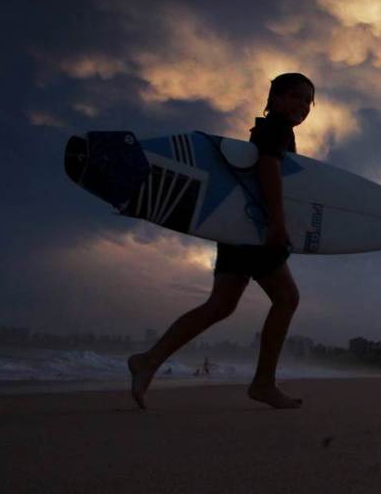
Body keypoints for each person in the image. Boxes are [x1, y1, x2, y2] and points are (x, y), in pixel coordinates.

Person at [127, 73, 315, 409]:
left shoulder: (264, 129)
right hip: (254, 230)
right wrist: (276, 222)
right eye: (296, 96)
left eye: (308, 101)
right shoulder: (277, 129)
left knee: (221, 305)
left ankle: (148, 360)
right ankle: (263, 383)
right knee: (286, 298)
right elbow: (268, 169)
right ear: (274, 98)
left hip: (234, 229)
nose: (302, 105)